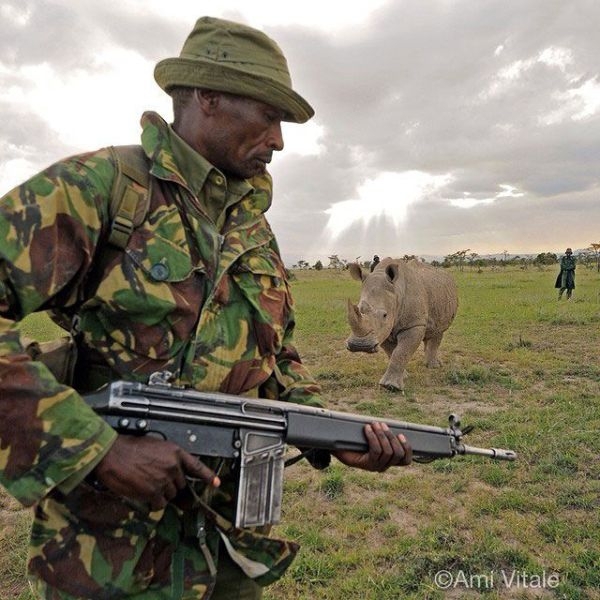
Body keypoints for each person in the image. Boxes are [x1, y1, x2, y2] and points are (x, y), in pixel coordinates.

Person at [0, 16, 412, 600]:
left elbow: (275, 354)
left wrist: (331, 433)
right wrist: (98, 449)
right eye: (269, 115)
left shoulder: (252, 226)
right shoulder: (102, 188)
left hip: (226, 550)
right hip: (110, 556)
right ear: (208, 97)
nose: (279, 140)